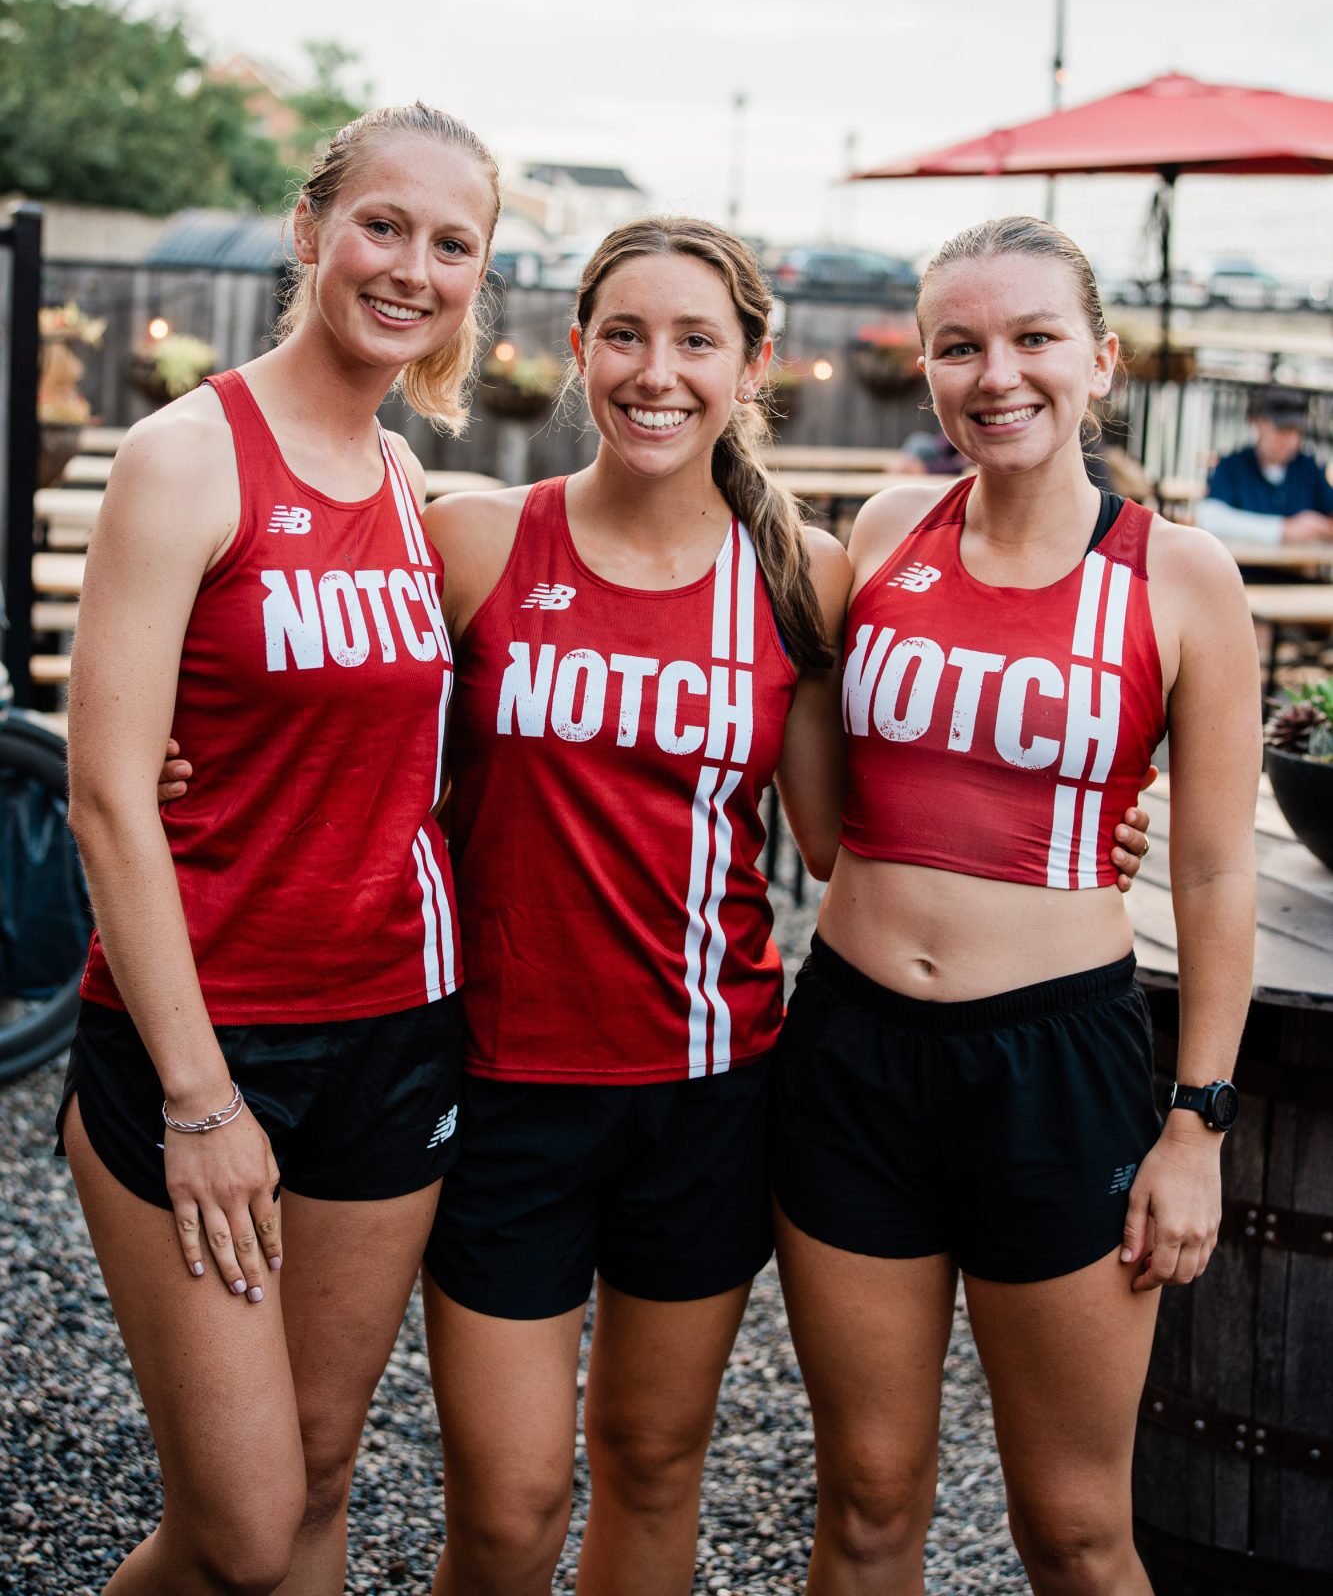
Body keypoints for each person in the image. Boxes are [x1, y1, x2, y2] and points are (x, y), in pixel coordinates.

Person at [152, 213, 1153, 1595]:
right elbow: (304, 663)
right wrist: (165, 737)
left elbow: (853, 820)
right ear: (575, 352)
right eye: (624, 334)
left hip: (709, 1090)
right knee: (506, 1508)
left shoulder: (800, 577)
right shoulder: (475, 545)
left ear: (754, 367)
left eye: (697, 340)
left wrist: (1095, 802)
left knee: (651, 1463)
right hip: (499, 1082)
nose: (657, 370)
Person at [771, 215, 1258, 1596]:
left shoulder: (1179, 577)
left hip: (1057, 1068)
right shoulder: (880, 532)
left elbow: (1212, 871)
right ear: (924, 367)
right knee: (865, 1503)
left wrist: (1197, 1124)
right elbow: (810, 803)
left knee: (1075, 1531)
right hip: (852, 1055)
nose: (999, 374)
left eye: (1034, 338)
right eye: (959, 345)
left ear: (1099, 360)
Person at [59, 102, 499, 1596]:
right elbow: (110, 795)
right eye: (385, 225)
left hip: (394, 1033)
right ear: (311, 232)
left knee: (319, 1475)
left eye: (453, 243)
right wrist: (199, 1101)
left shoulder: (408, 486)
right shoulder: (189, 455)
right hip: (200, 1045)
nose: (412, 267)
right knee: (243, 1527)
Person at [1195, 386, 1333, 566]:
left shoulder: (1308, 469)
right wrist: (1284, 529)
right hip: (1244, 575)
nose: (1289, 439)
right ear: (1257, 423)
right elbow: (1210, 517)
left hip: (1299, 578)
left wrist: (1321, 527)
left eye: (1296, 431)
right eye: (1281, 429)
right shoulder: (1232, 466)